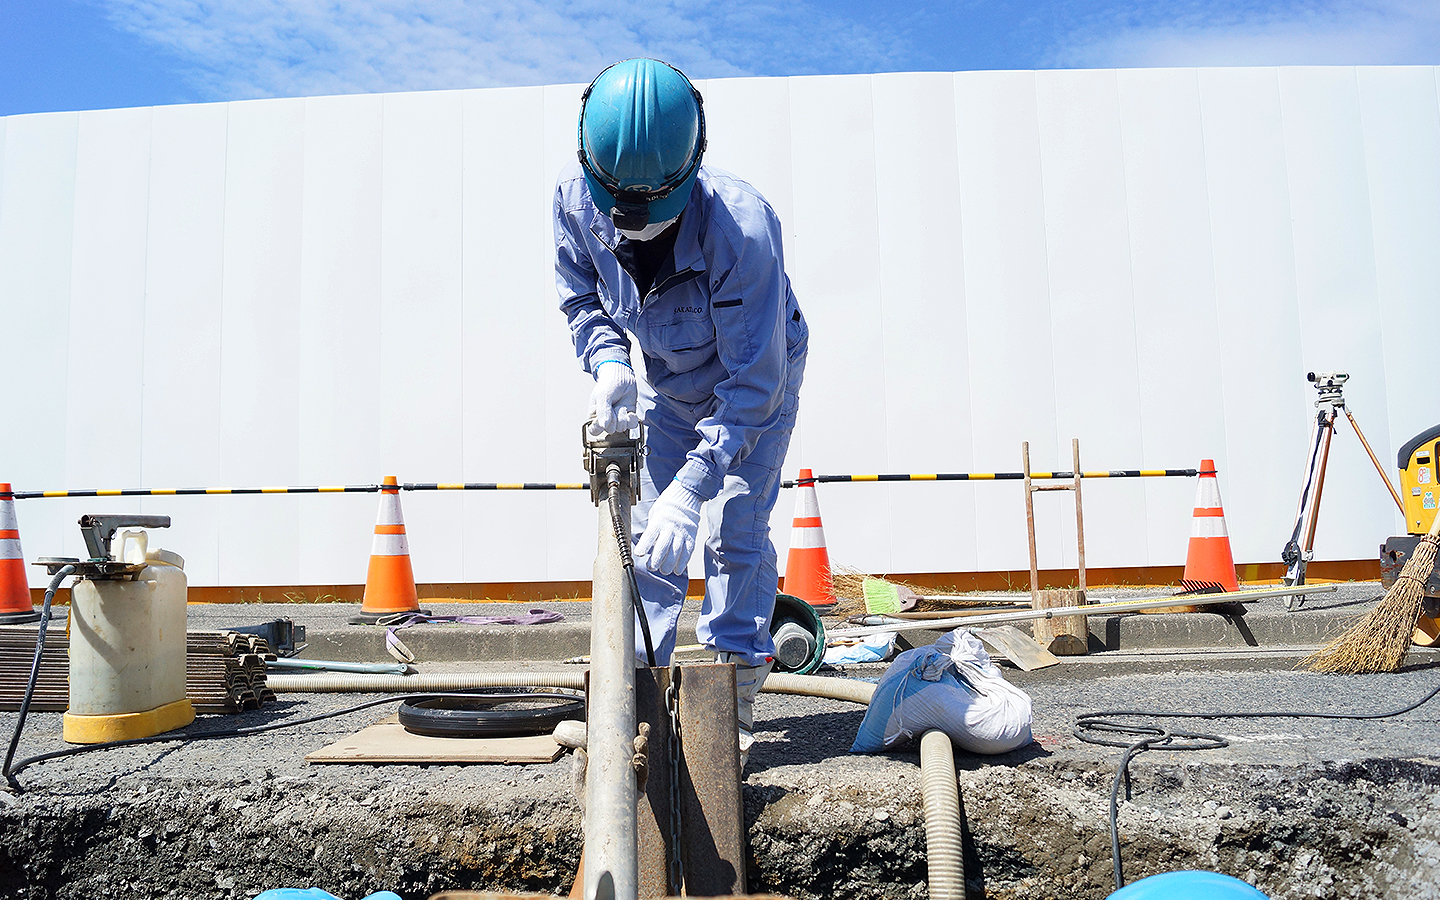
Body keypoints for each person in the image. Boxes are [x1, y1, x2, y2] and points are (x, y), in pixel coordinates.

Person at [553, 58, 809, 759]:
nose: (633, 233)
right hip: (673, 383)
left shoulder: (742, 231)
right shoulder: (576, 204)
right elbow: (581, 299)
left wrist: (694, 486)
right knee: (648, 536)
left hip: (755, 378)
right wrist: (608, 361)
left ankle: (732, 695)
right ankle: (635, 691)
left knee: (732, 523)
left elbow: (753, 386)